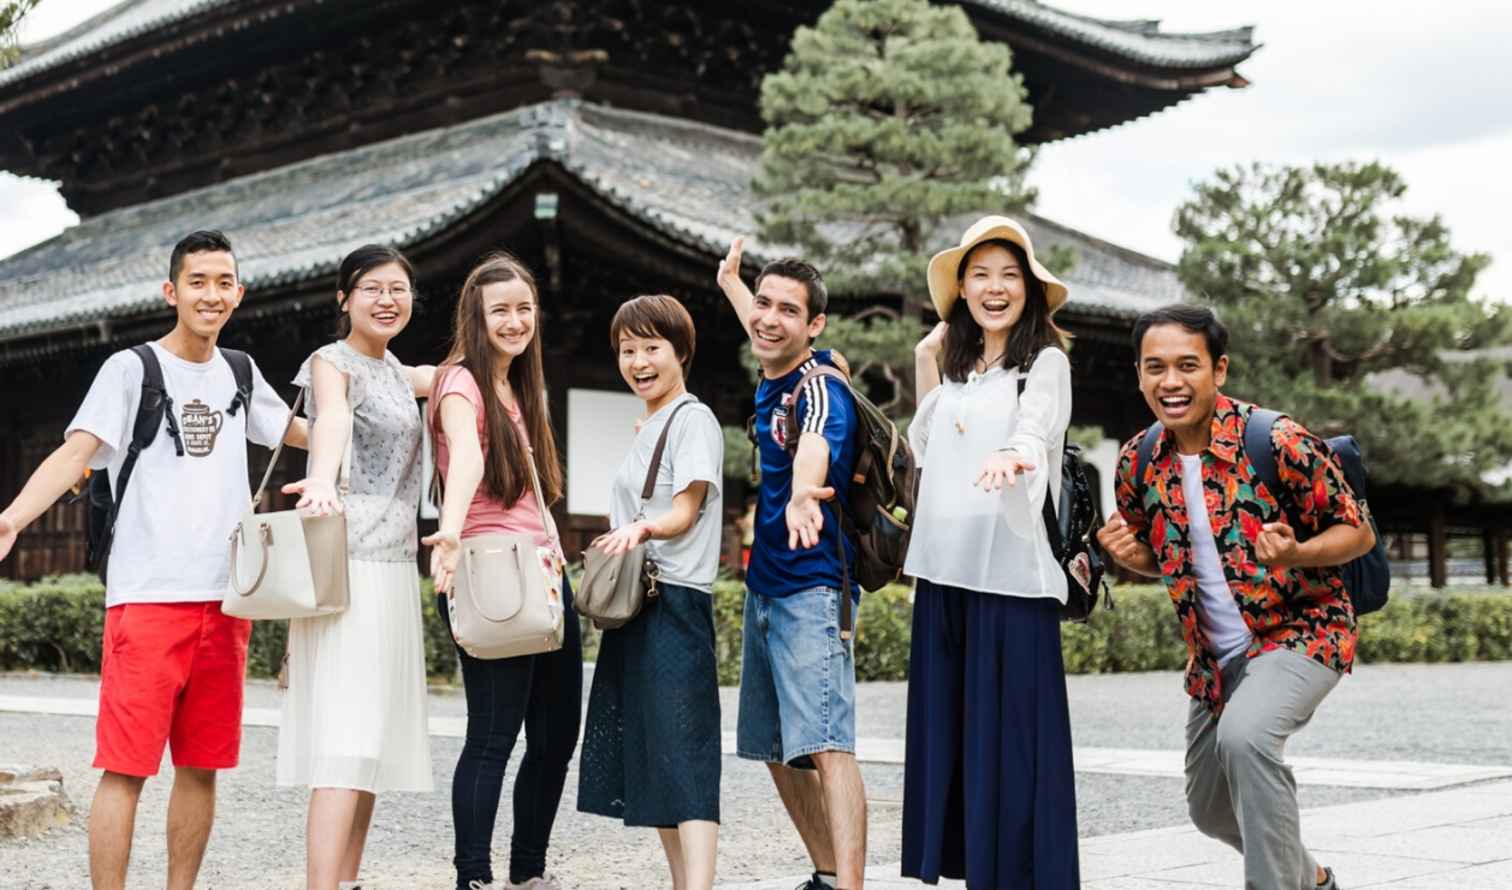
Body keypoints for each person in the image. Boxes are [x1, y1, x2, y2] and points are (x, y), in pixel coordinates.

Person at [0, 230, 304, 890]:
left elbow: (306, 432)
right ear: (172, 291)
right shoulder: (131, 369)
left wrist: (392, 389)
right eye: (198, 281)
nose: (212, 294)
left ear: (240, 294)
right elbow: (76, 452)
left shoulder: (243, 373)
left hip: (227, 599)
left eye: (225, 282)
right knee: (127, 766)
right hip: (147, 598)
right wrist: (13, 518)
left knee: (202, 765)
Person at [1097, 303, 1375, 890]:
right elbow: (1164, 560)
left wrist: (1295, 553)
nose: (1170, 382)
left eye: (1187, 365)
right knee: (1211, 809)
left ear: (1218, 370)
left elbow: (1358, 531)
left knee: (1247, 740)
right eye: (1155, 367)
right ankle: (1315, 879)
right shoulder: (1139, 460)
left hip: (1303, 631)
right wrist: (1131, 556)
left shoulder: (1276, 440)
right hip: (1214, 659)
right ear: (1140, 375)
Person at [900, 216, 1081, 889]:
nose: (995, 288)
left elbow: (1037, 434)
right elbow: (921, 451)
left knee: (1012, 745)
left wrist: (1013, 455)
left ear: (1030, 290)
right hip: (944, 574)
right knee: (956, 740)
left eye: (1010, 276)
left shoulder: (1045, 364)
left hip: (1011, 579)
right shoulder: (956, 376)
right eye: (980, 276)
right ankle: (974, 869)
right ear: (962, 293)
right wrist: (927, 362)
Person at [277, 244, 437, 890]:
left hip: (396, 561)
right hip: (350, 561)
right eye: (372, 288)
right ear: (344, 298)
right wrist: (319, 480)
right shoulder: (330, 363)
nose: (387, 300)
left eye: (398, 288)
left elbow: (460, 372)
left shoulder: (402, 372)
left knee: (372, 738)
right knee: (346, 734)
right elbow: (333, 419)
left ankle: (347, 881)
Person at [421, 253, 581, 890]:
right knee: (492, 735)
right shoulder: (462, 382)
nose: (515, 322)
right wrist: (451, 534)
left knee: (555, 735)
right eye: (500, 312)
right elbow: (463, 455)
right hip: (487, 571)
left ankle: (528, 872)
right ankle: (474, 876)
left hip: (540, 571)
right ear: (475, 317)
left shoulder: (519, 384)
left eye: (524, 309)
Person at [716, 238, 866, 890]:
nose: (769, 318)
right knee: (776, 750)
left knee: (829, 746)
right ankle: (829, 875)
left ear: (815, 326)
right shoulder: (774, 370)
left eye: (788, 310)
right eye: (763, 304)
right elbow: (760, 322)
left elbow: (815, 445)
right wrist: (732, 285)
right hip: (766, 587)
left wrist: (807, 491)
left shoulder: (820, 388)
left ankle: (853, 886)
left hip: (812, 589)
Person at [577, 294, 725, 890]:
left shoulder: (694, 418)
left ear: (681, 352)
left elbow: (686, 509)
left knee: (686, 754)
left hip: (675, 602)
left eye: (651, 348)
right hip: (641, 606)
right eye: (627, 349)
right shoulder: (653, 424)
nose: (638, 361)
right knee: (657, 756)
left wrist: (643, 525)